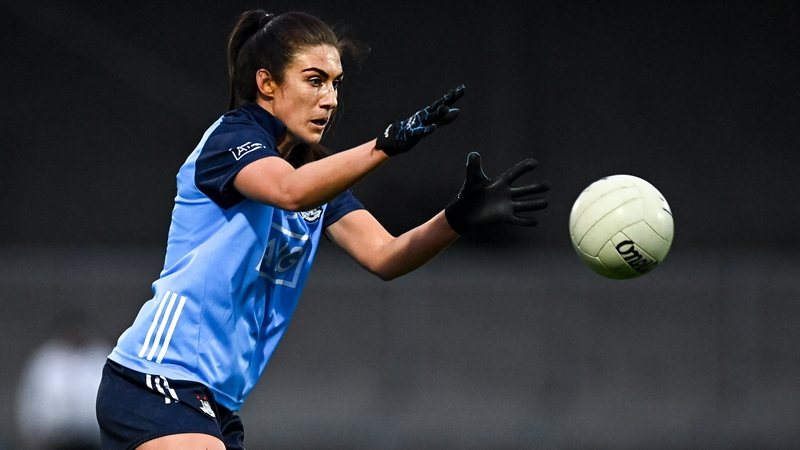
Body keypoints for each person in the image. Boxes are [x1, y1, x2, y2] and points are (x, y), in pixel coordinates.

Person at [95, 9, 549, 450]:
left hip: (216, 403)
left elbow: (385, 256)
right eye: (314, 80)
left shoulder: (315, 177)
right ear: (266, 83)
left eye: (335, 84)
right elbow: (289, 191)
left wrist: (456, 218)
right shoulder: (231, 138)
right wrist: (389, 142)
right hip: (157, 378)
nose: (330, 99)